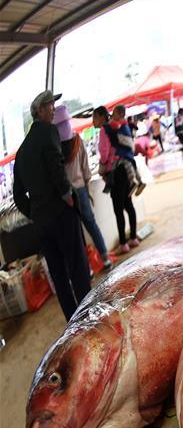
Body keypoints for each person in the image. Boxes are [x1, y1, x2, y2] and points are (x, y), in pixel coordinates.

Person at [12, 91, 92, 321]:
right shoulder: (49, 132)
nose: (53, 109)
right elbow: (56, 167)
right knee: (77, 267)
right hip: (61, 213)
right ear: (38, 111)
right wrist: (66, 195)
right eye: (49, 106)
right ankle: (88, 319)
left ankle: (73, 321)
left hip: (42, 222)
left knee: (58, 274)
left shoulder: (22, 152)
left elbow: (18, 195)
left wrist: (35, 212)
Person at [52, 105, 112, 270]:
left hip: (66, 195)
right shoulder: (78, 142)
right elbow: (86, 170)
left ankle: (88, 269)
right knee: (91, 225)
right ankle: (105, 258)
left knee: (76, 233)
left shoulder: (55, 147)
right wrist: (88, 190)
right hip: (81, 190)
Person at [94, 106, 140, 253]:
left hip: (116, 172)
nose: (93, 121)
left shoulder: (105, 130)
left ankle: (123, 244)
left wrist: (101, 169)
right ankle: (133, 238)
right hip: (126, 169)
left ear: (101, 117)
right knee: (128, 204)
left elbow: (105, 153)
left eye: (95, 117)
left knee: (118, 208)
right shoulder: (118, 127)